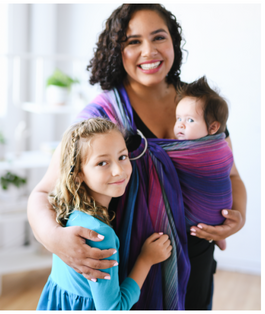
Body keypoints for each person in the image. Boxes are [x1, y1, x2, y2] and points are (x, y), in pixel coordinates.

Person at [28, 4, 246, 310]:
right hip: (128, 267)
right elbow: (42, 193)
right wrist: (54, 239)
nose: (149, 51)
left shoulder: (201, 107)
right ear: (117, 50)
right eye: (133, 42)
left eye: (159, 37)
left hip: (195, 258)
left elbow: (232, 175)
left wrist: (238, 217)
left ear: (173, 43)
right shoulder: (101, 117)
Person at [36, 118, 172, 310]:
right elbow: (112, 309)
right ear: (78, 175)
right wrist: (146, 260)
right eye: (102, 163)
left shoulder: (66, 212)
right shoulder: (99, 235)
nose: (118, 171)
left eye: (122, 157)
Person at [174, 76, 231, 251]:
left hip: (198, 218)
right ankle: (217, 237)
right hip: (220, 213)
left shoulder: (202, 151)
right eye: (178, 119)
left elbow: (157, 153)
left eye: (190, 120)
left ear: (213, 128)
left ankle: (216, 236)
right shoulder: (221, 145)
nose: (181, 125)